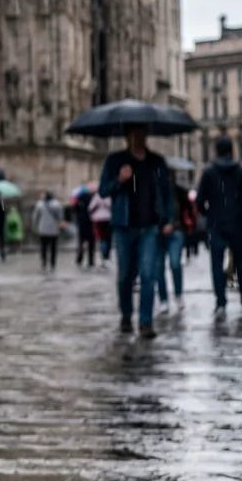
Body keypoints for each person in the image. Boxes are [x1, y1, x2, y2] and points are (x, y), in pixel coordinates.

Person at [98, 122, 176, 339]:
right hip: (124, 227)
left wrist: (169, 219)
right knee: (125, 276)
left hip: (149, 226)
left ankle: (145, 322)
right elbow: (103, 191)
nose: (138, 138)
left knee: (148, 274)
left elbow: (167, 193)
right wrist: (119, 180)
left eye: (141, 134)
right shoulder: (115, 160)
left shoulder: (156, 162)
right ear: (127, 137)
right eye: (134, 134)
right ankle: (126, 315)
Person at [196, 137, 242, 322]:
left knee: (216, 265)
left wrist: (209, 214)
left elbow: (200, 201)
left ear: (215, 150)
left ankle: (221, 302)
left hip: (216, 224)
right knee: (241, 264)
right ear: (231, 150)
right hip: (238, 224)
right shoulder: (239, 171)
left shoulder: (209, 172)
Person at [31, 190, 64, 270]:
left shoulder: (39, 204)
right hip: (54, 230)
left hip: (43, 229)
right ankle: (53, 264)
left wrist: (35, 226)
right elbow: (60, 217)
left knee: (43, 247)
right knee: (53, 247)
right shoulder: (57, 204)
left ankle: (44, 263)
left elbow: (35, 217)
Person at [89, 188, 113, 263]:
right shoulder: (108, 196)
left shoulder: (96, 196)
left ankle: (103, 252)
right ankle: (106, 254)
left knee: (102, 237)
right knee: (107, 237)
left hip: (98, 219)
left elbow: (90, 208)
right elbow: (111, 206)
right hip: (107, 218)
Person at [73, 188, 94, 265]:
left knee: (81, 242)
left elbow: (75, 209)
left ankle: (79, 259)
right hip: (91, 222)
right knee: (91, 242)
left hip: (81, 223)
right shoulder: (92, 198)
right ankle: (91, 261)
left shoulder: (78, 199)